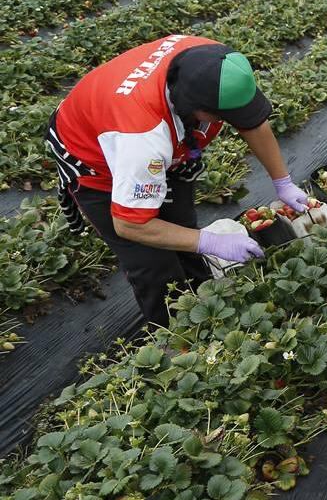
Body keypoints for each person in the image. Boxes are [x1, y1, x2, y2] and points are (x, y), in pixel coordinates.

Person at [45, 35, 310, 327]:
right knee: (153, 263)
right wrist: (208, 241)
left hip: (160, 141)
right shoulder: (142, 136)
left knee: (182, 226)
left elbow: (252, 122)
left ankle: (207, 306)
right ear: (194, 107)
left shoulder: (214, 63)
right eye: (222, 117)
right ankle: (176, 337)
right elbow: (131, 224)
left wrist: (282, 181)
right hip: (96, 161)